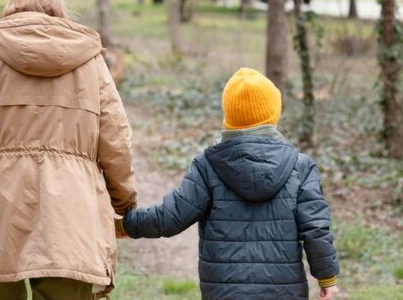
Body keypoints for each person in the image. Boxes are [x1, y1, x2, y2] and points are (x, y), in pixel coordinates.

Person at [0, 0, 137, 300]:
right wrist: (124, 202)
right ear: (58, 7)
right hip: (73, 208)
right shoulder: (90, 60)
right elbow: (116, 140)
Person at [117, 68, 340, 300]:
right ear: (273, 114)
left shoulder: (208, 165)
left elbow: (171, 217)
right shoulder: (300, 166)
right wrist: (327, 279)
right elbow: (316, 228)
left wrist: (126, 224)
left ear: (229, 117)